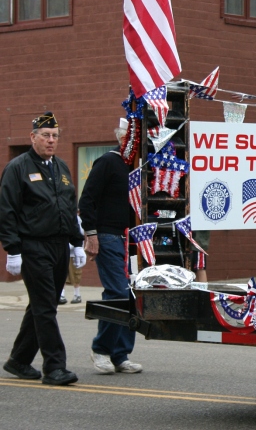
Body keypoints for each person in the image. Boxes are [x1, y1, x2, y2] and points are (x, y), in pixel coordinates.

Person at [0, 112, 83, 386]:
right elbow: (7, 211)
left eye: (55, 136)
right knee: (47, 306)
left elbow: (69, 207)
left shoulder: (60, 167)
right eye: (45, 136)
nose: (50, 141)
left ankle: (19, 360)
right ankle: (55, 367)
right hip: (33, 246)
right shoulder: (18, 167)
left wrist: (76, 242)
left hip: (59, 246)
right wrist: (12, 250)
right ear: (32, 137)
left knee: (41, 305)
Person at [79, 118, 142, 375]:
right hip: (107, 236)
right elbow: (87, 199)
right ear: (122, 138)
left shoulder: (138, 167)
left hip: (133, 240)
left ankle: (121, 354)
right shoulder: (107, 161)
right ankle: (101, 349)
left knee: (133, 296)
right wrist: (90, 233)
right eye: (133, 138)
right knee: (117, 293)